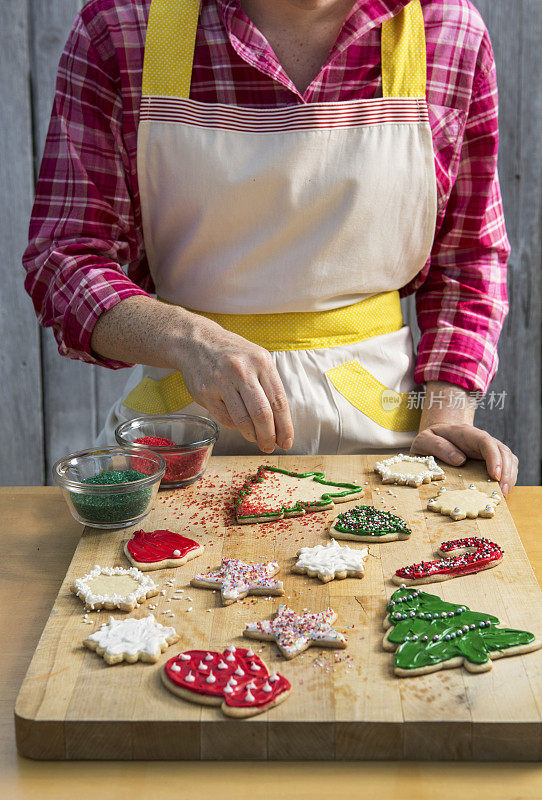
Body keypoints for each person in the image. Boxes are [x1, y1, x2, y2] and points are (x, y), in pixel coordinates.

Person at [23, 0, 518, 493]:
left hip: (390, 444)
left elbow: (467, 259)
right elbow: (64, 257)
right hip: (180, 446)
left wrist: (443, 421)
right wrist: (190, 341)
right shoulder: (126, 27)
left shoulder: (444, 30)